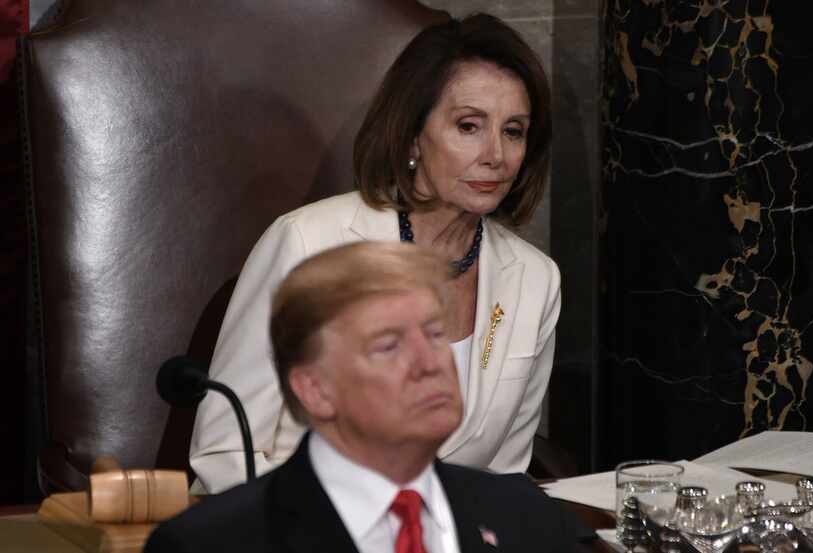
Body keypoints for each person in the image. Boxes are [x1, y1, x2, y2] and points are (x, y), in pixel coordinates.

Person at [190, 12, 562, 493]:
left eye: (514, 130)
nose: (496, 153)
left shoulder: (536, 280)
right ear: (412, 137)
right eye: (469, 126)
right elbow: (224, 451)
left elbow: (504, 478)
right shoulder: (308, 243)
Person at [146, 242, 592, 553]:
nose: (430, 361)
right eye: (388, 346)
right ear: (315, 388)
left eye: (435, 334)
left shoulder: (527, 519)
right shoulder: (212, 544)